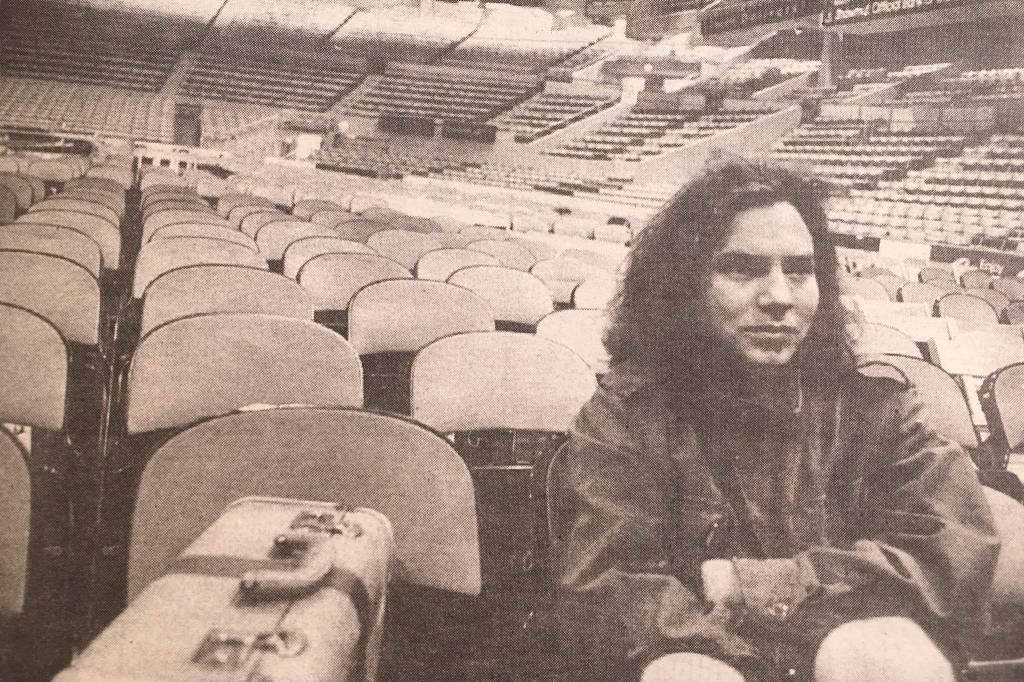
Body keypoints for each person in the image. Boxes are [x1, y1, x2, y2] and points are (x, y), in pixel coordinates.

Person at [550, 159, 1000, 681]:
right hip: (701, 649)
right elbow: (608, 589)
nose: (779, 298)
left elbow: (949, 550)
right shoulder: (626, 416)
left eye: (800, 270)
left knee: (881, 653)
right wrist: (751, 658)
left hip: (841, 645)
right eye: (741, 269)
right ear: (684, 285)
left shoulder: (879, 407)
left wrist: (760, 585)